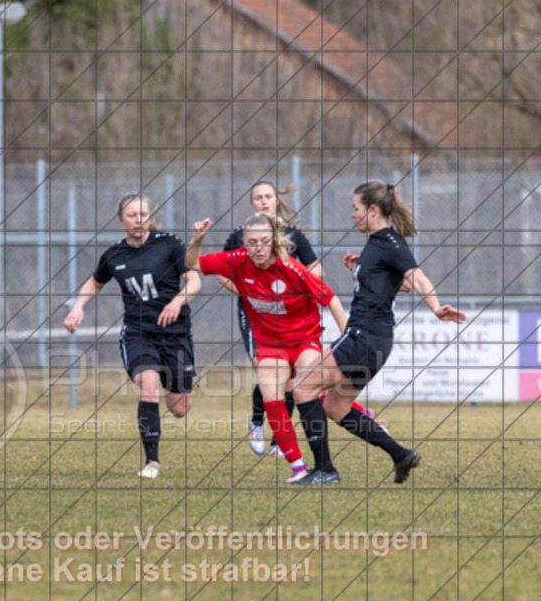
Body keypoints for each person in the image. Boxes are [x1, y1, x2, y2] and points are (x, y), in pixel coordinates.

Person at [294, 180, 467, 484]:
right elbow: (400, 283)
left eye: (355, 208)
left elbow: (417, 278)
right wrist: (358, 269)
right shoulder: (378, 243)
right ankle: (401, 455)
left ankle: (324, 471)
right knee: (335, 407)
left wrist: (436, 307)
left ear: (372, 210)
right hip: (374, 342)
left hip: (363, 337)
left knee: (302, 388)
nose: (352, 215)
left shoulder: (390, 243)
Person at [188, 212, 347, 485]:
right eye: (252, 242)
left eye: (264, 241)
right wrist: (197, 240)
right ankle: (298, 468)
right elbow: (190, 263)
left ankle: (328, 460)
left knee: (305, 390)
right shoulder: (237, 260)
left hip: (305, 338)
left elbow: (330, 298)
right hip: (270, 343)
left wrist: (348, 337)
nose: (258, 248)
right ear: (244, 244)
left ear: (273, 242)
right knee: (271, 396)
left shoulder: (292, 268)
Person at [221, 181, 373, 457]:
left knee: (294, 379)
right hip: (256, 315)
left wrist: (291, 278)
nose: (264, 201)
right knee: (270, 375)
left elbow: (319, 273)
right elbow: (222, 272)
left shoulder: (293, 235)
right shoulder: (239, 236)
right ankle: (257, 421)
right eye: (258, 197)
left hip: (292, 318)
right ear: (251, 203)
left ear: (276, 200)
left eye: (268, 196)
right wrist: (250, 291)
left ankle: (280, 441)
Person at [63, 192, 201, 479]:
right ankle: (152, 462)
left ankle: (177, 387)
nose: (139, 220)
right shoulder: (114, 255)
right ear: (120, 220)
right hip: (138, 334)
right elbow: (94, 282)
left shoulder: (170, 244)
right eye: (132, 216)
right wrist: (78, 306)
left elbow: (194, 280)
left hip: (175, 335)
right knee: (148, 384)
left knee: (179, 408)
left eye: (143, 214)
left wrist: (177, 301)